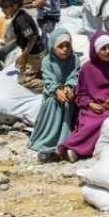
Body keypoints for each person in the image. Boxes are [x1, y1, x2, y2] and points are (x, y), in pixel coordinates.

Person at [59, 31, 109, 162]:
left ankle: (73, 149)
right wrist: (90, 104)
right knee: (88, 122)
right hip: (91, 107)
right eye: (103, 48)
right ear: (96, 50)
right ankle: (76, 149)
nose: (108, 51)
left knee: (107, 121)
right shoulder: (87, 69)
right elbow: (79, 94)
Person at [28, 27, 79, 163]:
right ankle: (48, 142)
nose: (65, 49)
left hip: (70, 93)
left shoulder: (74, 59)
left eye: (67, 45)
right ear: (53, 47)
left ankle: (66, 141)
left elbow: (74, 75)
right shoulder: (47, 61)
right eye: (60, 46)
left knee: (69, 103)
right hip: (52, 94)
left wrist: (69, 87)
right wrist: (57, 90)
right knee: (54, 103)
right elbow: (48, 79)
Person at [0, 0, 45, 93]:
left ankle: (50, 86)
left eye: (4, 8)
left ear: (14, 5)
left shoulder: (21, 20)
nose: (3, 10)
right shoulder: (18, 16)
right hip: (31, 51)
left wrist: (24, 56)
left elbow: (32, 38)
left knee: (24, 81)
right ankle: (37, 72)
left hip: (34, 53)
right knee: (20, 67)